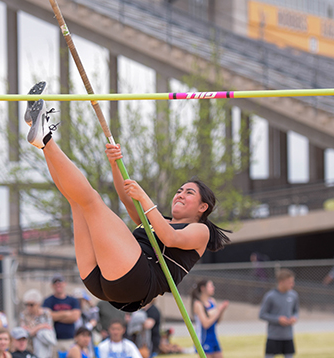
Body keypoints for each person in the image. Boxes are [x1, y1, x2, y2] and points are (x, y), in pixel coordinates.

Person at [25, 94, 231, 313]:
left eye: (189, 193)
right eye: (179, 190)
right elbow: (126, 198)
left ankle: (44, 136)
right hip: (108, 281)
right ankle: (42, 137)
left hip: (136, 280)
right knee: (76, 201)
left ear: (203, 207)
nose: (179, 194)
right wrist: (115, 165)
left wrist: (145, 198)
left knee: (92, 201)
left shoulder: (200, 231)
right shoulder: (158, 219)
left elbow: (170, 238)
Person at [259, 269, 299, 358]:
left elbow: (296, 311)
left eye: (292, 282)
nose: (292, 284)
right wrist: (278, 319)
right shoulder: (270, 296)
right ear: (281, 282)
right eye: (289, 282)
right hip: (274, 336)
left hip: (288, 335)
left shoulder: (293, 295)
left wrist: (294, 317)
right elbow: (262, 314)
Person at [43, 273, 81, 355]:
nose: (58, 284)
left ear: (65, 284)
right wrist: (67, 313)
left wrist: (56, 316)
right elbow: (48, 316)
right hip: (54, 340)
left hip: (70, 340)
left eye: (60, 282)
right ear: (52, 285)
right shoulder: (48, 301)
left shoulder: (73, 300)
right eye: (55, 282)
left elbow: (75, 317)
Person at [191, 280, 229, 358]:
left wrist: (221, 311)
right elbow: (206, 324)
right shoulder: (198, 304)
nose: (213, 288)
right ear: (203, 288)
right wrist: (218, 311)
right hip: (204, 339)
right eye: (210, 286)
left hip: (213, 338)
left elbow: (217, 321)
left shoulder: (212, 301)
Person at [20, 289, 57, 358]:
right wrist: (40, 326)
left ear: (38, 304)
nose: (28, 307)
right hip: (30, 348)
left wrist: (33, 330)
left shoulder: (46, 313)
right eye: (26, 304)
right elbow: (26, 333)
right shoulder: (24, 314)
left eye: (31, 305)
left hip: (45, 348)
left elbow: (49, 329)